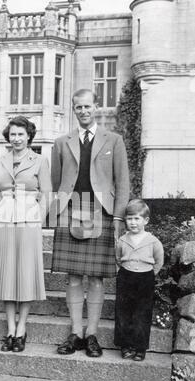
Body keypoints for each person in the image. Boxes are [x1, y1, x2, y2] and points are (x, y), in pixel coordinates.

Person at [51, 88, 129, 357]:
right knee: (73, 278)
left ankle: (92, 334)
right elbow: (56, 182)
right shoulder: (61, 142)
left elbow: (123, 182)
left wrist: (118, 217)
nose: (83, 111)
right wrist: (57, 212)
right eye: (78, 107)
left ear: (96, 106)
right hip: (71, 209)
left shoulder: (114, 140)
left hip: (102, 212)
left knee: (96, 279)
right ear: (73, 109)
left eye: (87, 106)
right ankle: (75, 333)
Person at [0, 115, 52, 353]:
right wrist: (6, 209)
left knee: (24, 274)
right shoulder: (0, 160)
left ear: (29, 136)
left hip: (29, 223)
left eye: (21, 134)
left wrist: (37, 220)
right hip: (4, 222)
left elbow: (46, 194)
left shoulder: (40, 160)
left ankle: (22, 328)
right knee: (7, 275)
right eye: (12, 134)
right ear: (7, 137)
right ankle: (10, 329)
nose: (16, 139)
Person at [114, 199, 164, 361]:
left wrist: (149, 274)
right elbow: (118, 258)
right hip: (126, 277)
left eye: (137, 218)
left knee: (142, 313)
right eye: (129, 218)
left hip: (145, 279)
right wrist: (124, 271)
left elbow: (159, 261)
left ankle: (140, 347)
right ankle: (125, 345)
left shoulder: (153, 241)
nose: (133, 222)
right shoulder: (122, 240)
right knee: (123, 312)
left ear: (146, 220)